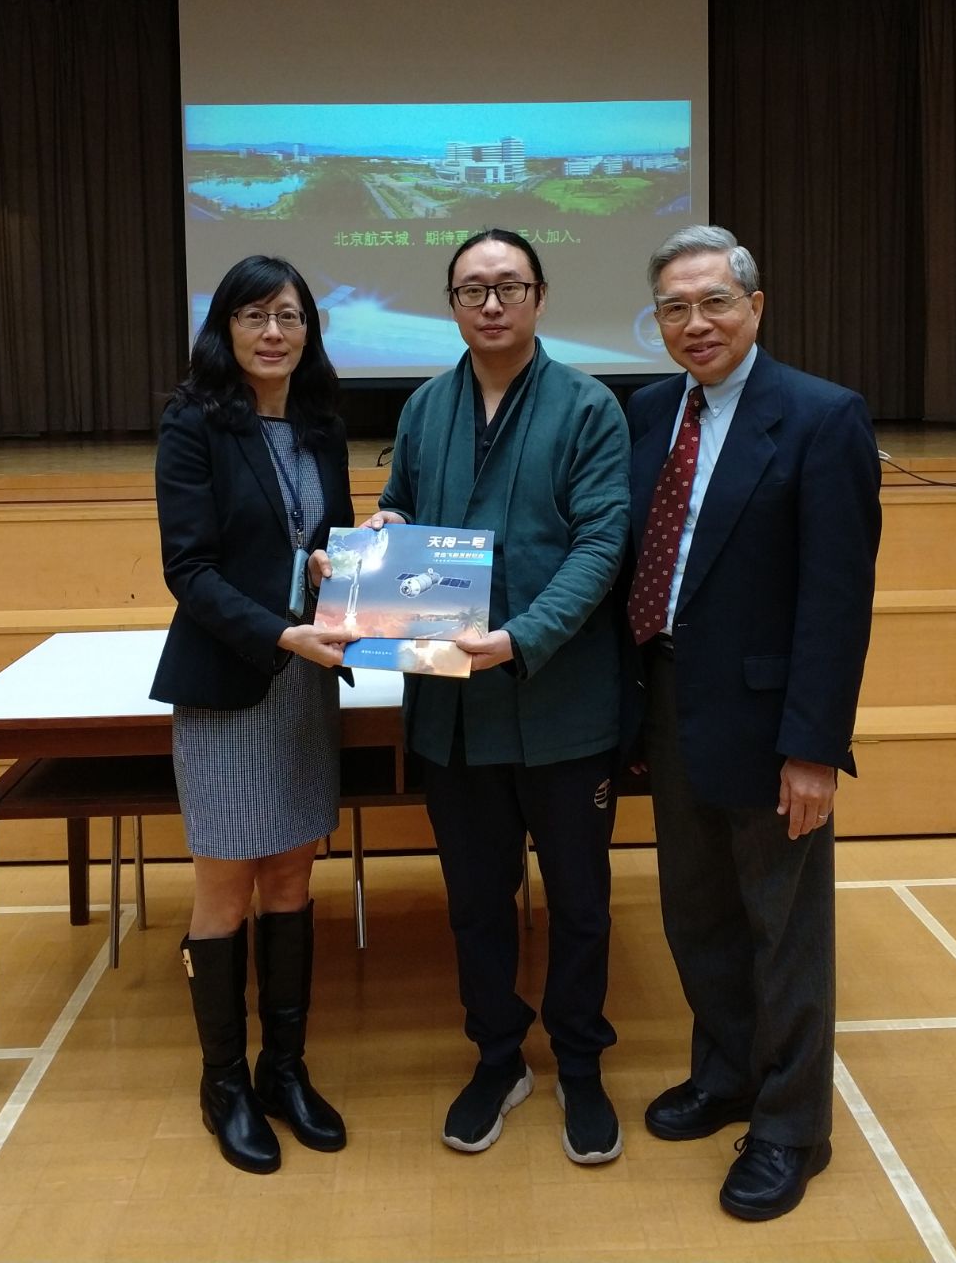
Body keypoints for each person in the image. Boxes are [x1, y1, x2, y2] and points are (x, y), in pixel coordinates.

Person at [625, 225, 881, 1221]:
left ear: (755, 306)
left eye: (714, 302)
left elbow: (835, 601)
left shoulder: (821, 416)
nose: (694, 324)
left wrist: (812, 749)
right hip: (668, 703)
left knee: (783, 929)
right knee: (695, 912)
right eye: (674, 308)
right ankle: (726, 1072)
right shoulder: (651, 412)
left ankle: (790, 1128)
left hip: (773, 724)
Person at [368, 228, 630, 1165]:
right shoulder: (424, 407)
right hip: (454, 710)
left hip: (563, 704)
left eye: (508, 286)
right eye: (471, 289)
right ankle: (496, 1056)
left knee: (580, 902)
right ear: (451, 304)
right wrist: (386, 529)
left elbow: (603, 545)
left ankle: (581, 1064)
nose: (490, 304)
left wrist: (522, 638)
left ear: (540, 297)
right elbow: (402, 503)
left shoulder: (589, 406)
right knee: (476, 901)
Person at [151, 255, 354, 1176]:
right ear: (225, 328)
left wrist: (346, 560)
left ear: (309, 329)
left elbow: (324, 544)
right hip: (234, 683)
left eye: (290, 316)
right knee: (225, 890)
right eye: (254, 316)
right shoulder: (194, 422)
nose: (274, 333)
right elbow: (189, 572)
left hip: (304, 686)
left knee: (291, 882)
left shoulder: (319, 425)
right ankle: (224, 1083)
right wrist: (280, 631)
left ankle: (286, 1069)